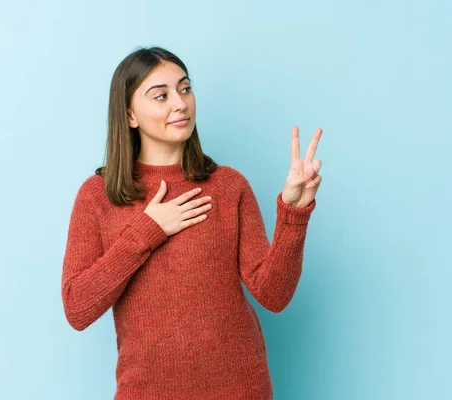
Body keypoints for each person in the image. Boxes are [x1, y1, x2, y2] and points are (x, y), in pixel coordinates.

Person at [60, 46, 323, 399]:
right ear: (130, 115)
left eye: (185, 89)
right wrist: (147, 231)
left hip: (240, 388)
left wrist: (294, 214)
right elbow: (78, 307)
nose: (180, 104)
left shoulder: (229, 186)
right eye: (161, 95)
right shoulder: (98, 196)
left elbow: (273, 295)